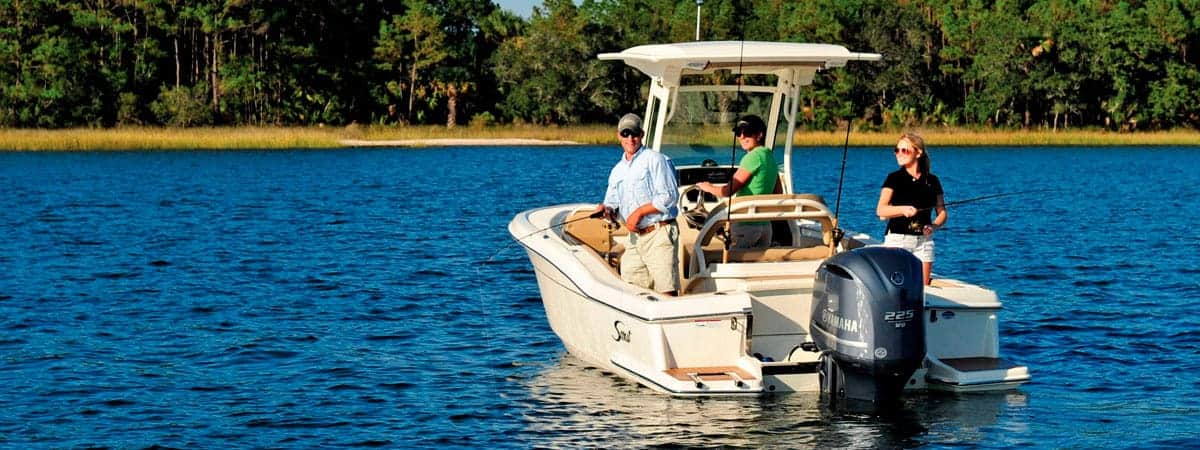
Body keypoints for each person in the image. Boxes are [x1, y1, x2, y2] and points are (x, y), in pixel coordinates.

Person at [595, 113, 680, 296]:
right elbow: (612, 203)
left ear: (642, 134)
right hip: (634, 238)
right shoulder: (617, 170)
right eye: (625, 133)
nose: (630, 138)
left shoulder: (656, 159)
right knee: (632, 289)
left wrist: (639, 212)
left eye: (634, 133)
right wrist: (606, 210)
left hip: (659, 233)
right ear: (619, 136)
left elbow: (669, 197)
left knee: (667, 291)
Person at [694, 115, 782, 249]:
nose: (742, 136)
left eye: (747, 132)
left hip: (746, 226)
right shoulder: (770, 157)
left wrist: (707, 187)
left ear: (759, 135)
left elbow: (727, 191)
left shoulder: (753, 157)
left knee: (733, 259)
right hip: (765, 228)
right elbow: (777, 193)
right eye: (738, 132)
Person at [875, 132, 947, 285]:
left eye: (905, 150)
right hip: (898, 240)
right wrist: (903, 209)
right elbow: (881, 210)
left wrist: (933, 226)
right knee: (896, 285)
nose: (899, 154)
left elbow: (942, 213)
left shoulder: (933, 180)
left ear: (918, 153)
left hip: (924, 242)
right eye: (897, 150)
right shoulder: (894, 178)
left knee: (923, 286)